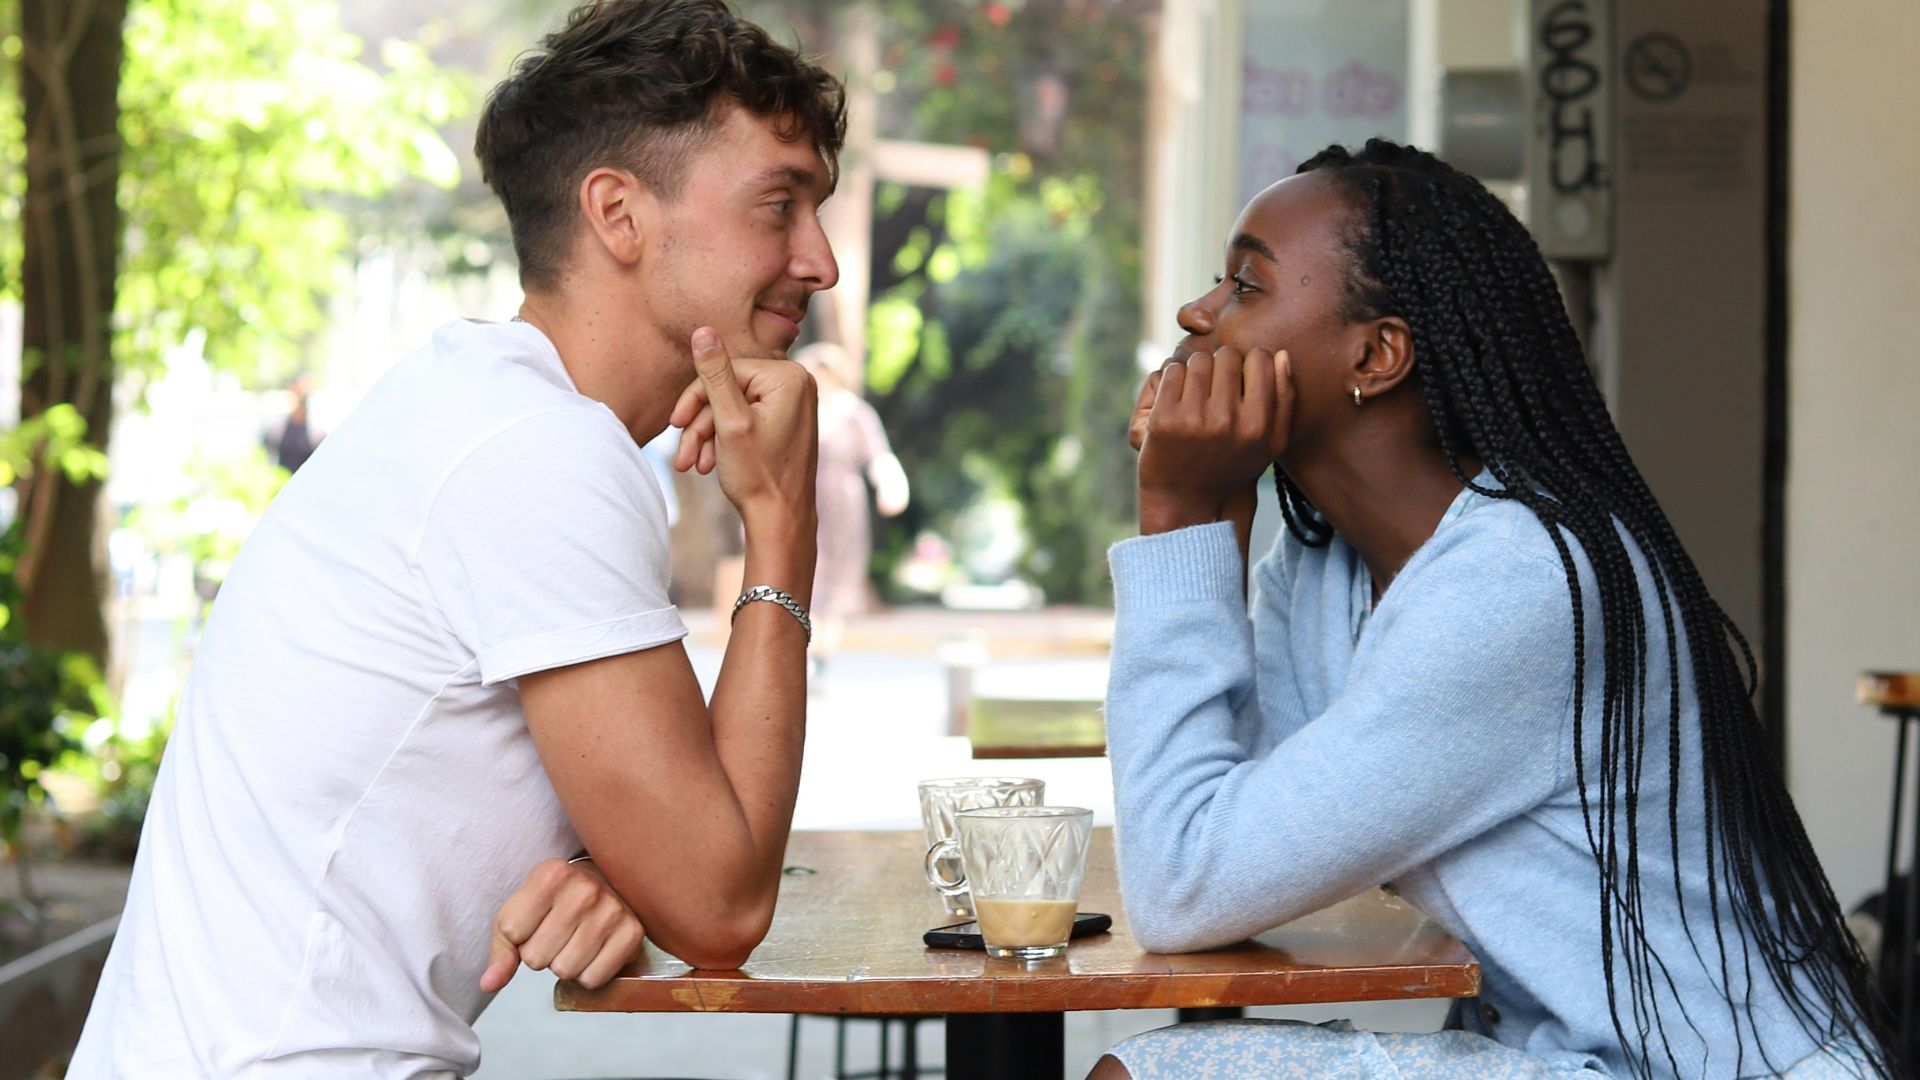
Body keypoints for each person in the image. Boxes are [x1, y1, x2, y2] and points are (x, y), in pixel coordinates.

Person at [70, 1, 842, 1075]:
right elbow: (722, 903)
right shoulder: (537, 453)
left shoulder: (490, 412)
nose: (821, 261)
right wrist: (783, 526)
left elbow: (681, 866)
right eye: (781, 204)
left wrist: (615, 863)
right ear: (619, 214)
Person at [1092, 140, 1894, 1079]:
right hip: (1560, 1054)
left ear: (1378, 353)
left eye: (1246, 286)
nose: (1198, 313)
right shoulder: (1322, 568)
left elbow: (1185, 882)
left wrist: (1180, 518)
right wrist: (1213, 529)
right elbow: (1230, 837)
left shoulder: (1521, 583)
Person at [794, 341, 908, 668]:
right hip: (804, 500)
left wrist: (891, 486)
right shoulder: (800, 409)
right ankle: (806, 648)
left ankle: (823, 654)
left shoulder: (855, 412)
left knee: (839, 576)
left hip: (843, 502)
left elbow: (879, 456)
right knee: (807, 571)